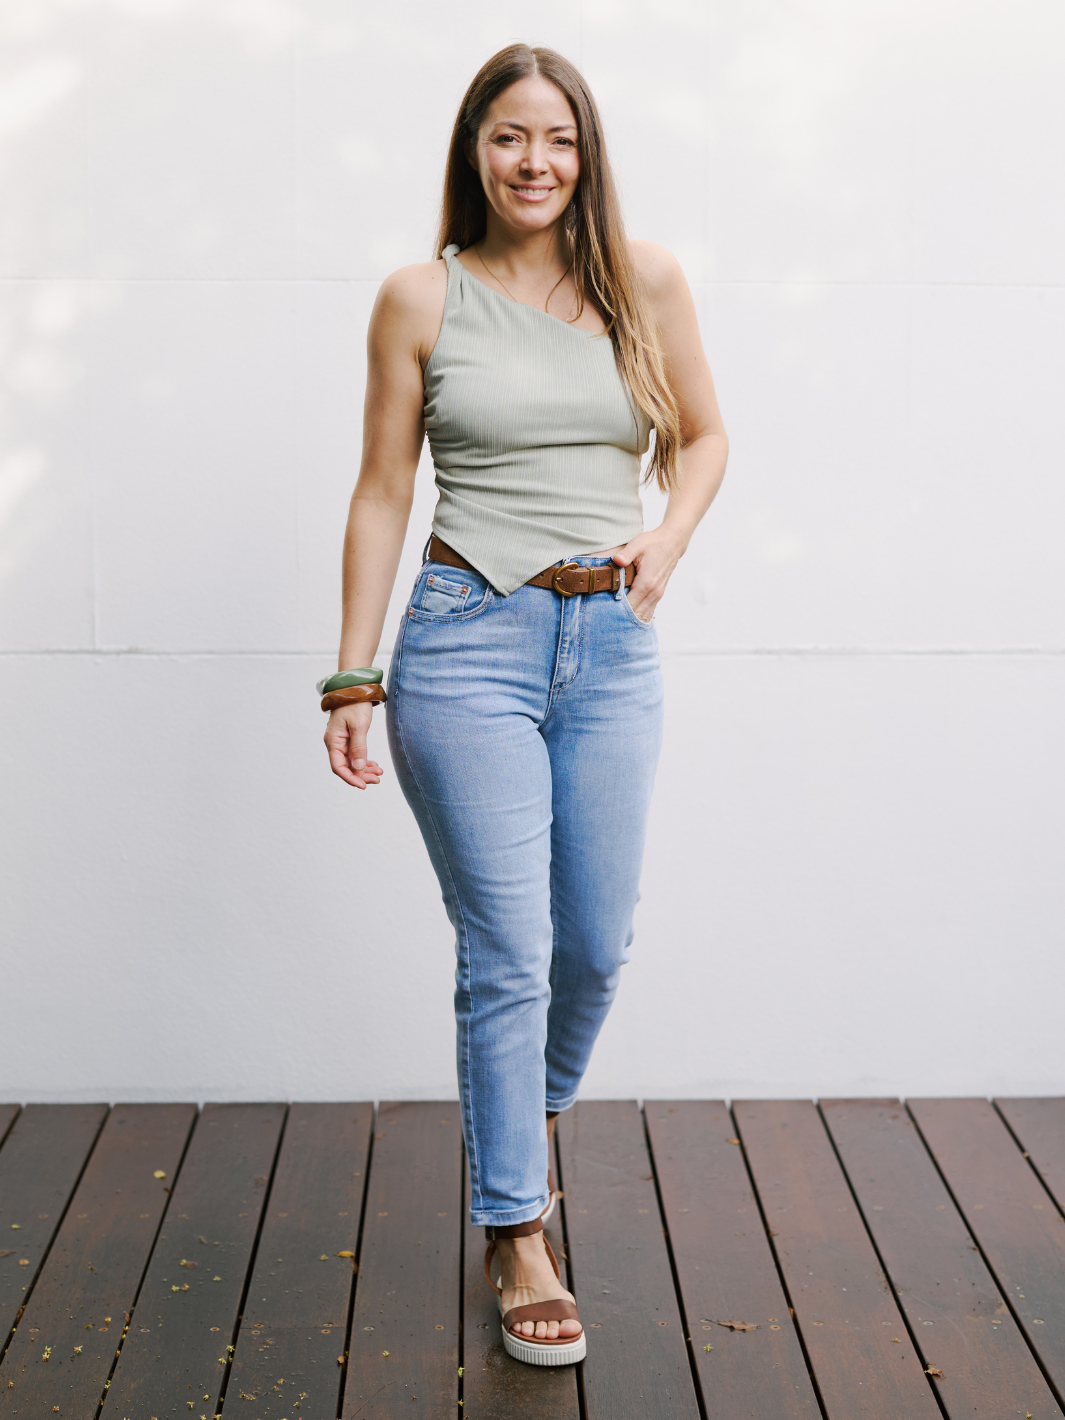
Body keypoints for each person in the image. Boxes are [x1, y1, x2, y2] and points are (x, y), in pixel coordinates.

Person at [320, 43, 727, 1367]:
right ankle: (516, 1228)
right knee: (508, 950)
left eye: (557, 138)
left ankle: (519, 1122)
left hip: (611, 643)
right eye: (508, 136)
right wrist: (353, 673)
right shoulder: (419, 297)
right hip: (466, 642)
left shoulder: (644, 281)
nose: (534, 161)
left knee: (595, 946)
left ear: (585, 153)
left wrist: (668, 536)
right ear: (474, 151)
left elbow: (707, 436)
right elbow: (384, 488)